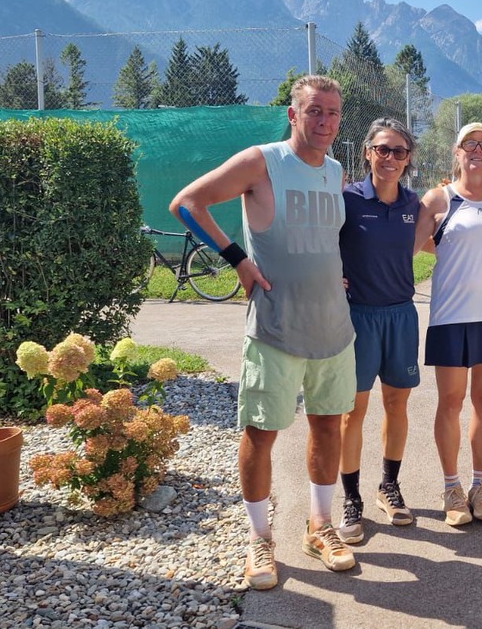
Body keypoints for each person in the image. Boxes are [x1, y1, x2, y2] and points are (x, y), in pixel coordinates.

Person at [169, 74, 356, 591]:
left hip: (333, 328)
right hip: (275, 327)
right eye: (314, 111)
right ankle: (259, 538)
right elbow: (187, 203)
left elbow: (324, 239)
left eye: (333, 113)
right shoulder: (262, 161)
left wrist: (334, 274)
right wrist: (238, 260)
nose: (324, 121)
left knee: (328, 427)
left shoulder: (335, 170)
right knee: (260, 434)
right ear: (293, 114)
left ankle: (320, 526)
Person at [413, 122, 482, 526]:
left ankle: (480, 485)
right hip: (450, 316)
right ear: (456, 153)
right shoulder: (438, 198)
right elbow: (410, 247)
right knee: (451, 402)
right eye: (469, 144)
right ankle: (451, 488)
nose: (477, 150)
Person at [335, 118, 421, 544]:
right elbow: (319, 242)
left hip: (401, 316)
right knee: (353, 411)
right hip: (358, 317)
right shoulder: (347, 199)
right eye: (382, 149)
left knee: (396, 404)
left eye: (398, 151)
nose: (389, 157)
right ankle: (351, 499)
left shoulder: (413, 204)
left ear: (408, 160)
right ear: (368, 152)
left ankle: (388, 486)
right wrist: (330, 275)